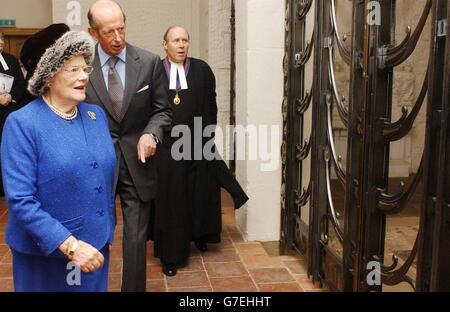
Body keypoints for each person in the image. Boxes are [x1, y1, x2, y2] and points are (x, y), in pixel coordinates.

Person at [0, 26, 116, 292]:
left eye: (85, 68)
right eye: (73, 69)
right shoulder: (22, 123)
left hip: (94, 249)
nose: (84, 76)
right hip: (46, 255)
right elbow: (20, 200)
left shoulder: (95, 116)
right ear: (49, 76)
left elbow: (100, 175)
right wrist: (71, 246)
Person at [85, 0, 172, 292]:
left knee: (135, 238)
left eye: (121, 29)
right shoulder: (81, 67)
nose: (118, 37)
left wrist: (151, 133)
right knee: (94, 234)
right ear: (93, 32)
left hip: (138, 163)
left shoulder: (148, 62)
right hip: (95, 165)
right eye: (109, 32)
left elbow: (163, 110)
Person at [150, 26, 248, 277]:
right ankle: (172, 256)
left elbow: (211, 107)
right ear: (165, 44)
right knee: (173, 199)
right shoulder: (154, 71)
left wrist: (206, 138)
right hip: (167, 147)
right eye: (175, 40)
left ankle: (200, 235)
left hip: (197, 142)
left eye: (185, 40)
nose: (181, 45)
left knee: (200, 193)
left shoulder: (202, 69)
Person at [0, 31, 26, 195]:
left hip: (8, 112)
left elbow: (20, 84)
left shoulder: (11, 59)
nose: (1, 42)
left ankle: (6, 186)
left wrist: (11, 96)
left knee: (8, 149)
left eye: (1, 38)